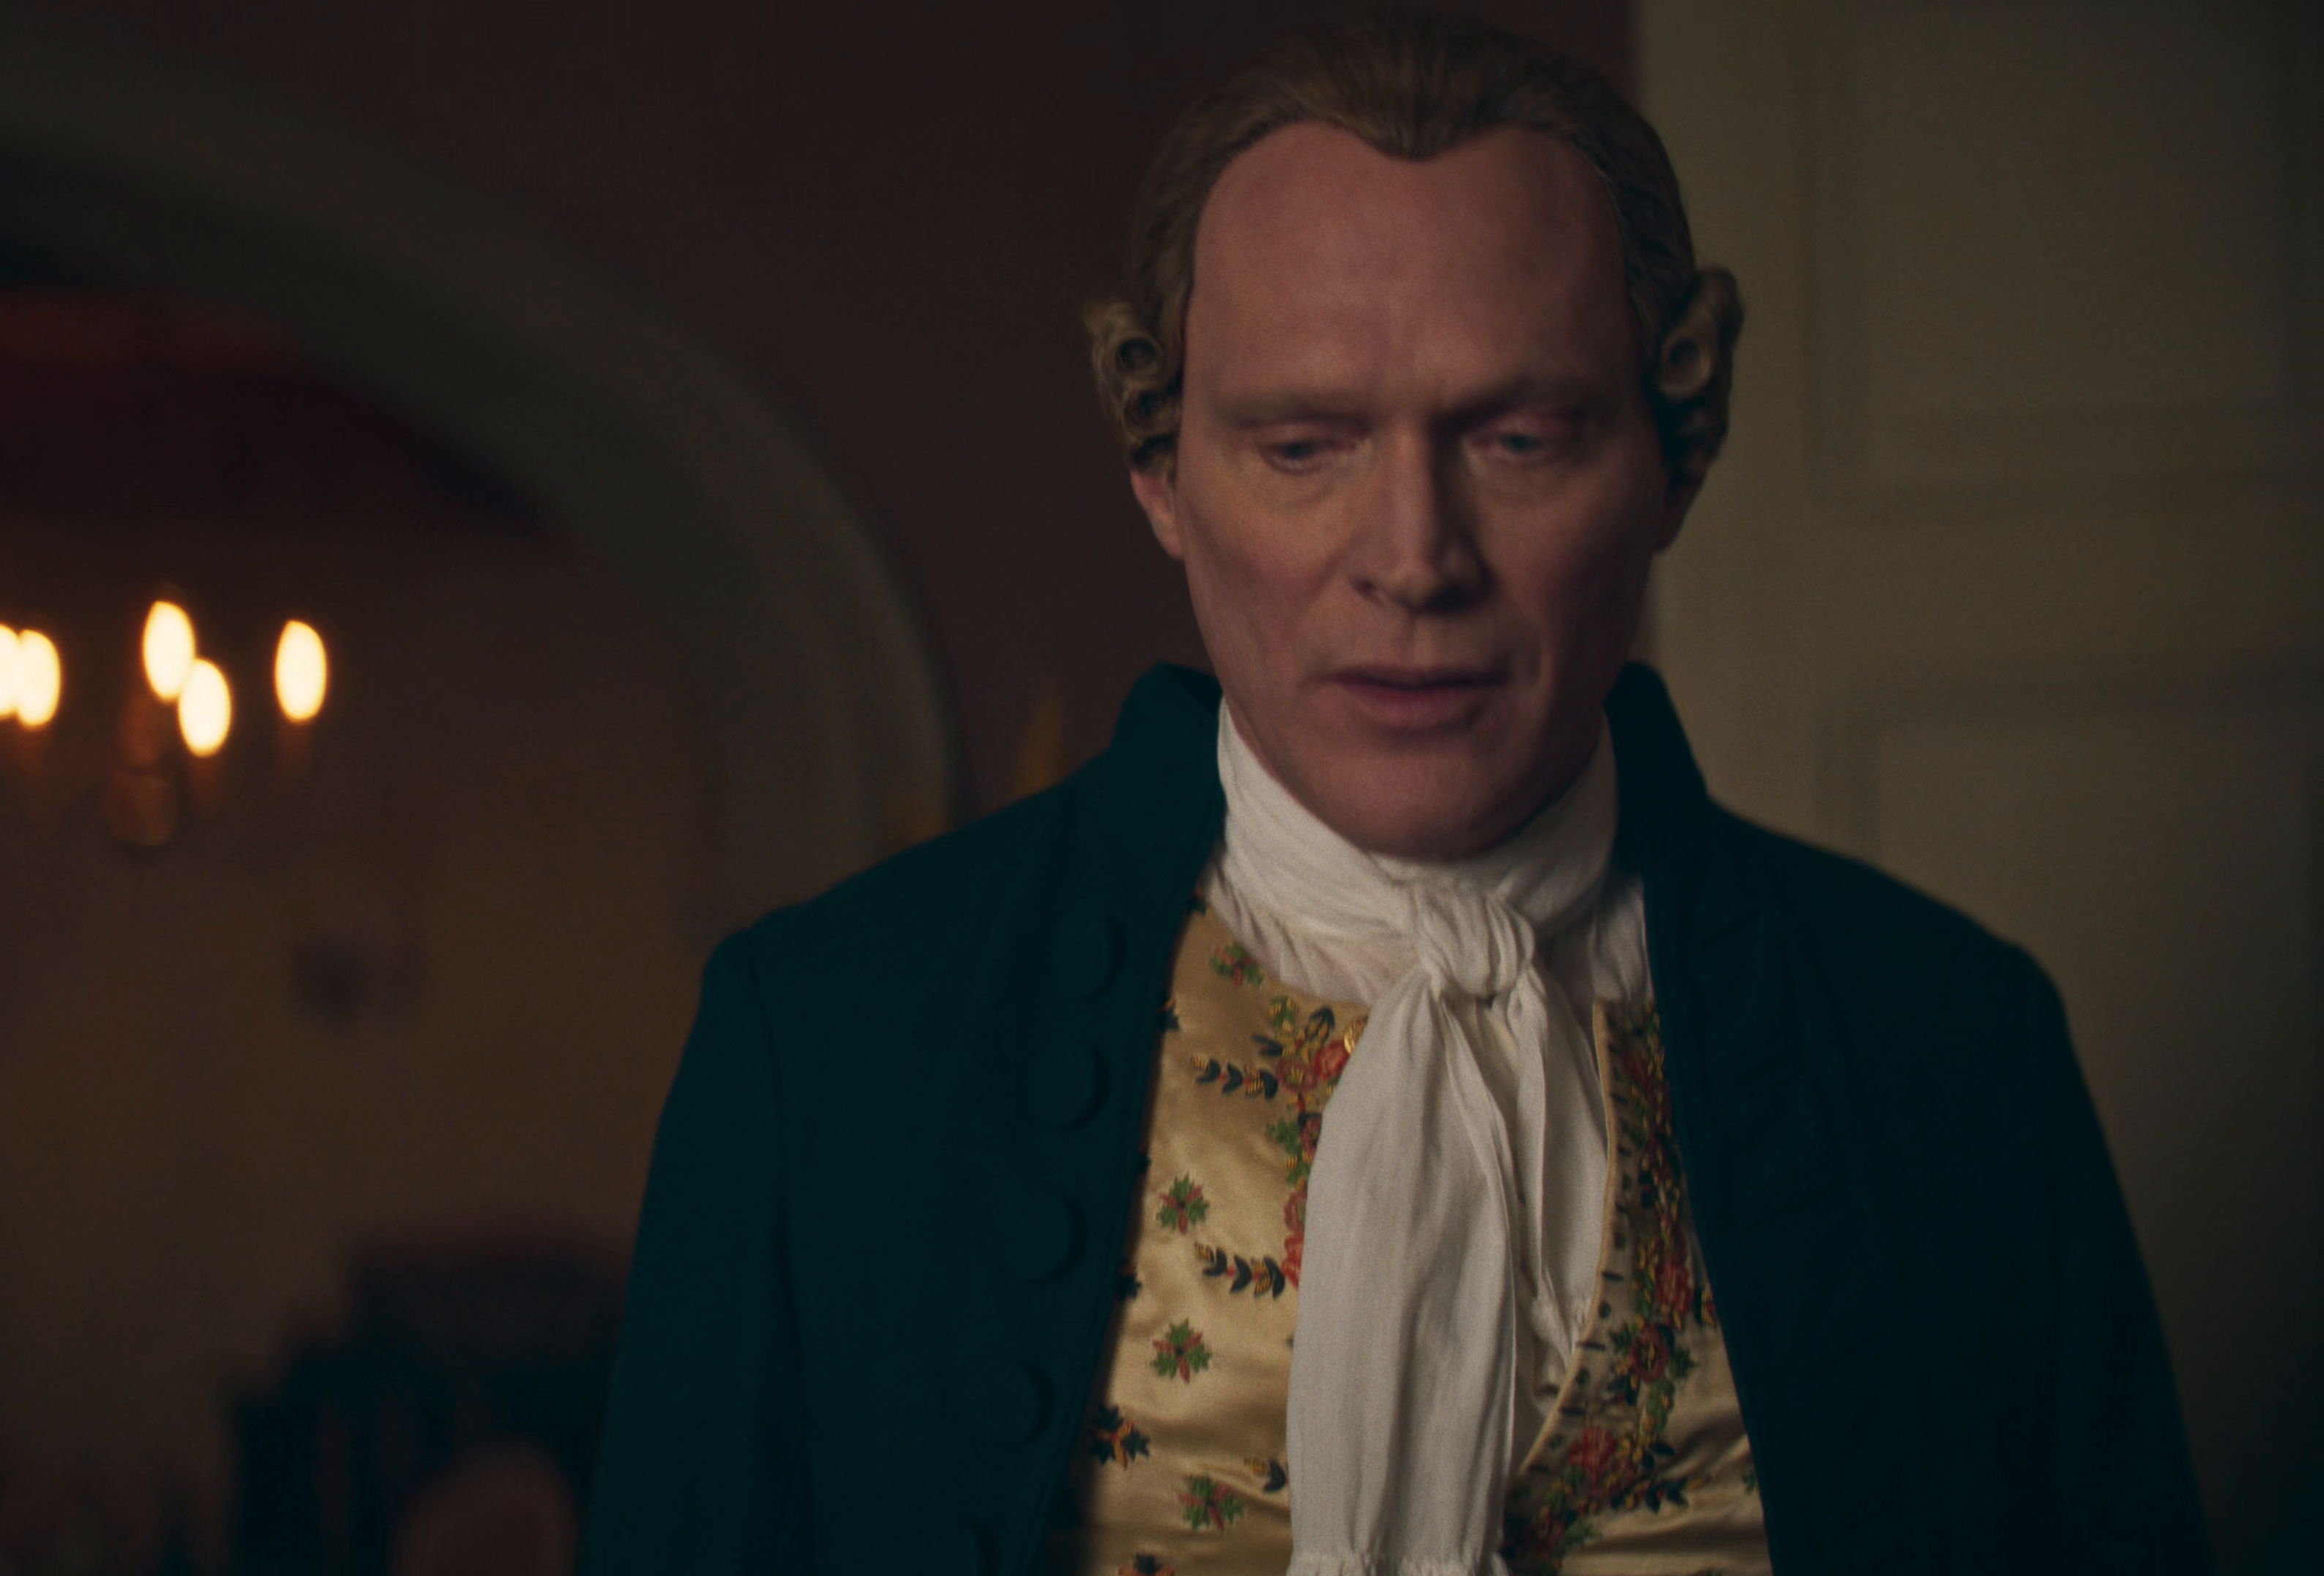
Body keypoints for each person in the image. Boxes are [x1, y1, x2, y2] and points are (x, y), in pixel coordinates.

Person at [579, 12, 2208, 1575]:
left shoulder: (1957, 1051)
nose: (1414, 559)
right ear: (1159, 466)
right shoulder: (829, 1041)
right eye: (1305, 447)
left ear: (1677, 452)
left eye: (1520, 439)